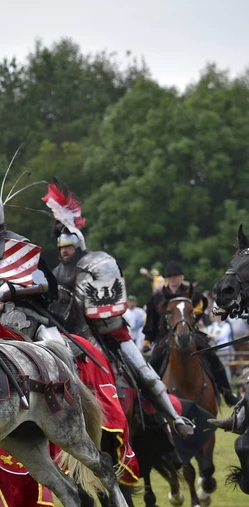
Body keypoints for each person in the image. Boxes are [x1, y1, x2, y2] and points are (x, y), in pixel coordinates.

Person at [45, 181, 194, 438]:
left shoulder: (99, 264)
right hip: (71, 336)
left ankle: (175, 417)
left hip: (109, 333)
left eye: (68, 246)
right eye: (60, 248)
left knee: (143, 370)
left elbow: (108, 308)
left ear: (78, 244)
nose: (64, 250)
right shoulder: (56, 273)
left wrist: (104, 326)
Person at [0, 190, 59, 341]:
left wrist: (6, 291)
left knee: (55, 345)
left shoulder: (18, 245)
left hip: (24, 314)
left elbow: (42, 282)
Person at [144, 260, 237, 405]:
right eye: (170, 277)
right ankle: (147, 400)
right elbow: (152, 320)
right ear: (166, 279)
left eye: (176, 276)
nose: (173, 279)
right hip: (165, 337)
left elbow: (200, 307)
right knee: (154, 362)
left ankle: (226, 392)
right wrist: (147, 340)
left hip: (191, 333)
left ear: (181, 277)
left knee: (213, 357)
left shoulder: (193, 295)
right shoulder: (157, 298)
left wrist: (189, 321)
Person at [206, 312, 234, 386]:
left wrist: (213, 337)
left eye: (219, 316)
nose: (217, 318)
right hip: (215, 349)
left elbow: (221, 336)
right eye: (216, 316)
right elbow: (208, 335)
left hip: (224, 349)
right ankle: (218, 384)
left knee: (225, 367)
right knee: (216, 367)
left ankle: (228, 384)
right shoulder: (212, 326)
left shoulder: (226, 325)